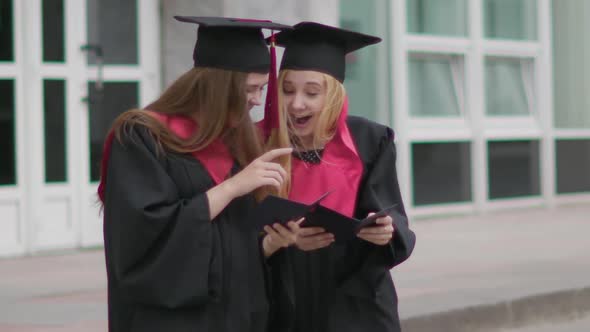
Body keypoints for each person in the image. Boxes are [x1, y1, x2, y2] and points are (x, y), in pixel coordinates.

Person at [97, 16, 298, 332]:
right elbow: (143, 237)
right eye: (251, 89)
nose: (258, 100)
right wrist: (232, 187)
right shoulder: (142, 136)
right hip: (172, 320)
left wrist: (269, 244)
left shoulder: (236, 140)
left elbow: (232, 246)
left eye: (261, 89)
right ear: (218, 86)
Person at [265, 22, 417, 332]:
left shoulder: (370, 140)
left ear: (333, 95)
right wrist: (284, 240)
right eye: (288, 90)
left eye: (311, 92)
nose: (296, 104)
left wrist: (384, 232)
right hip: (287, 292)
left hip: (355, 295)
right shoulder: (259, 143)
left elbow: (391, 213)